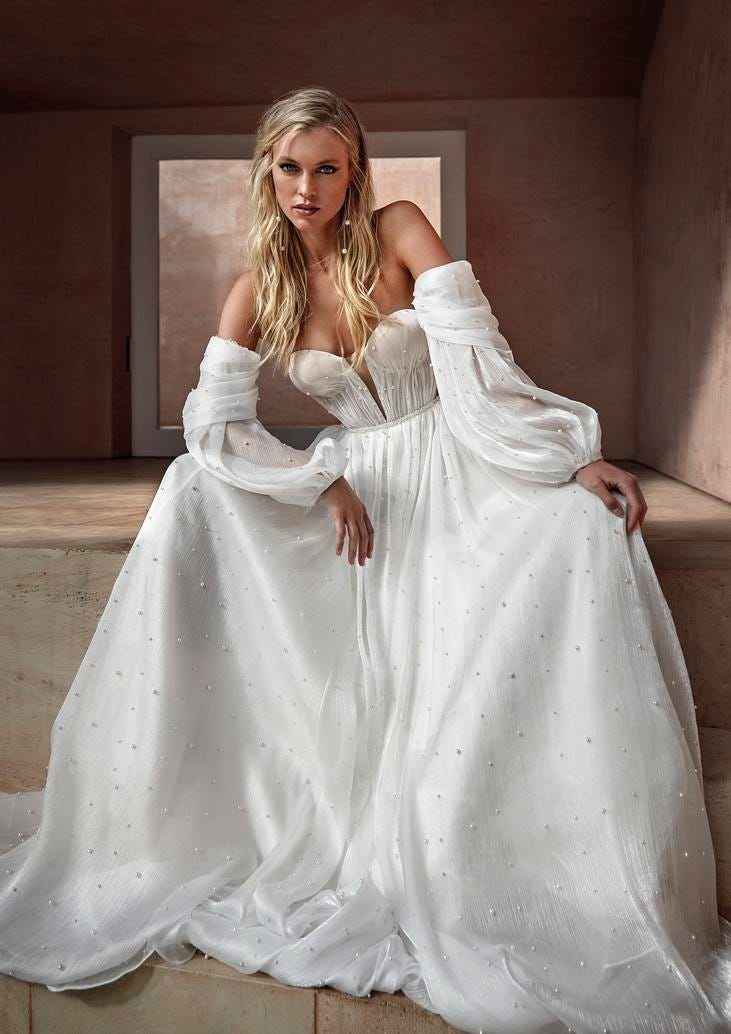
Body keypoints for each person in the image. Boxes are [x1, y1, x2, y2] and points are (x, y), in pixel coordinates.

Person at [1, 85, 729, 1034]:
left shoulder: (398, 229)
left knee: (579, 530)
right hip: (359, 489)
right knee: (190, 485)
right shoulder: (254, 287)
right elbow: (208, 427)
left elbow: (480, 360)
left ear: (356, 170)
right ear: (266, 170)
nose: (308, 188)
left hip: (455, 463)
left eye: (327, 168)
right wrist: (313, 483)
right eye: (290, 167)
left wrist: (567, 456)